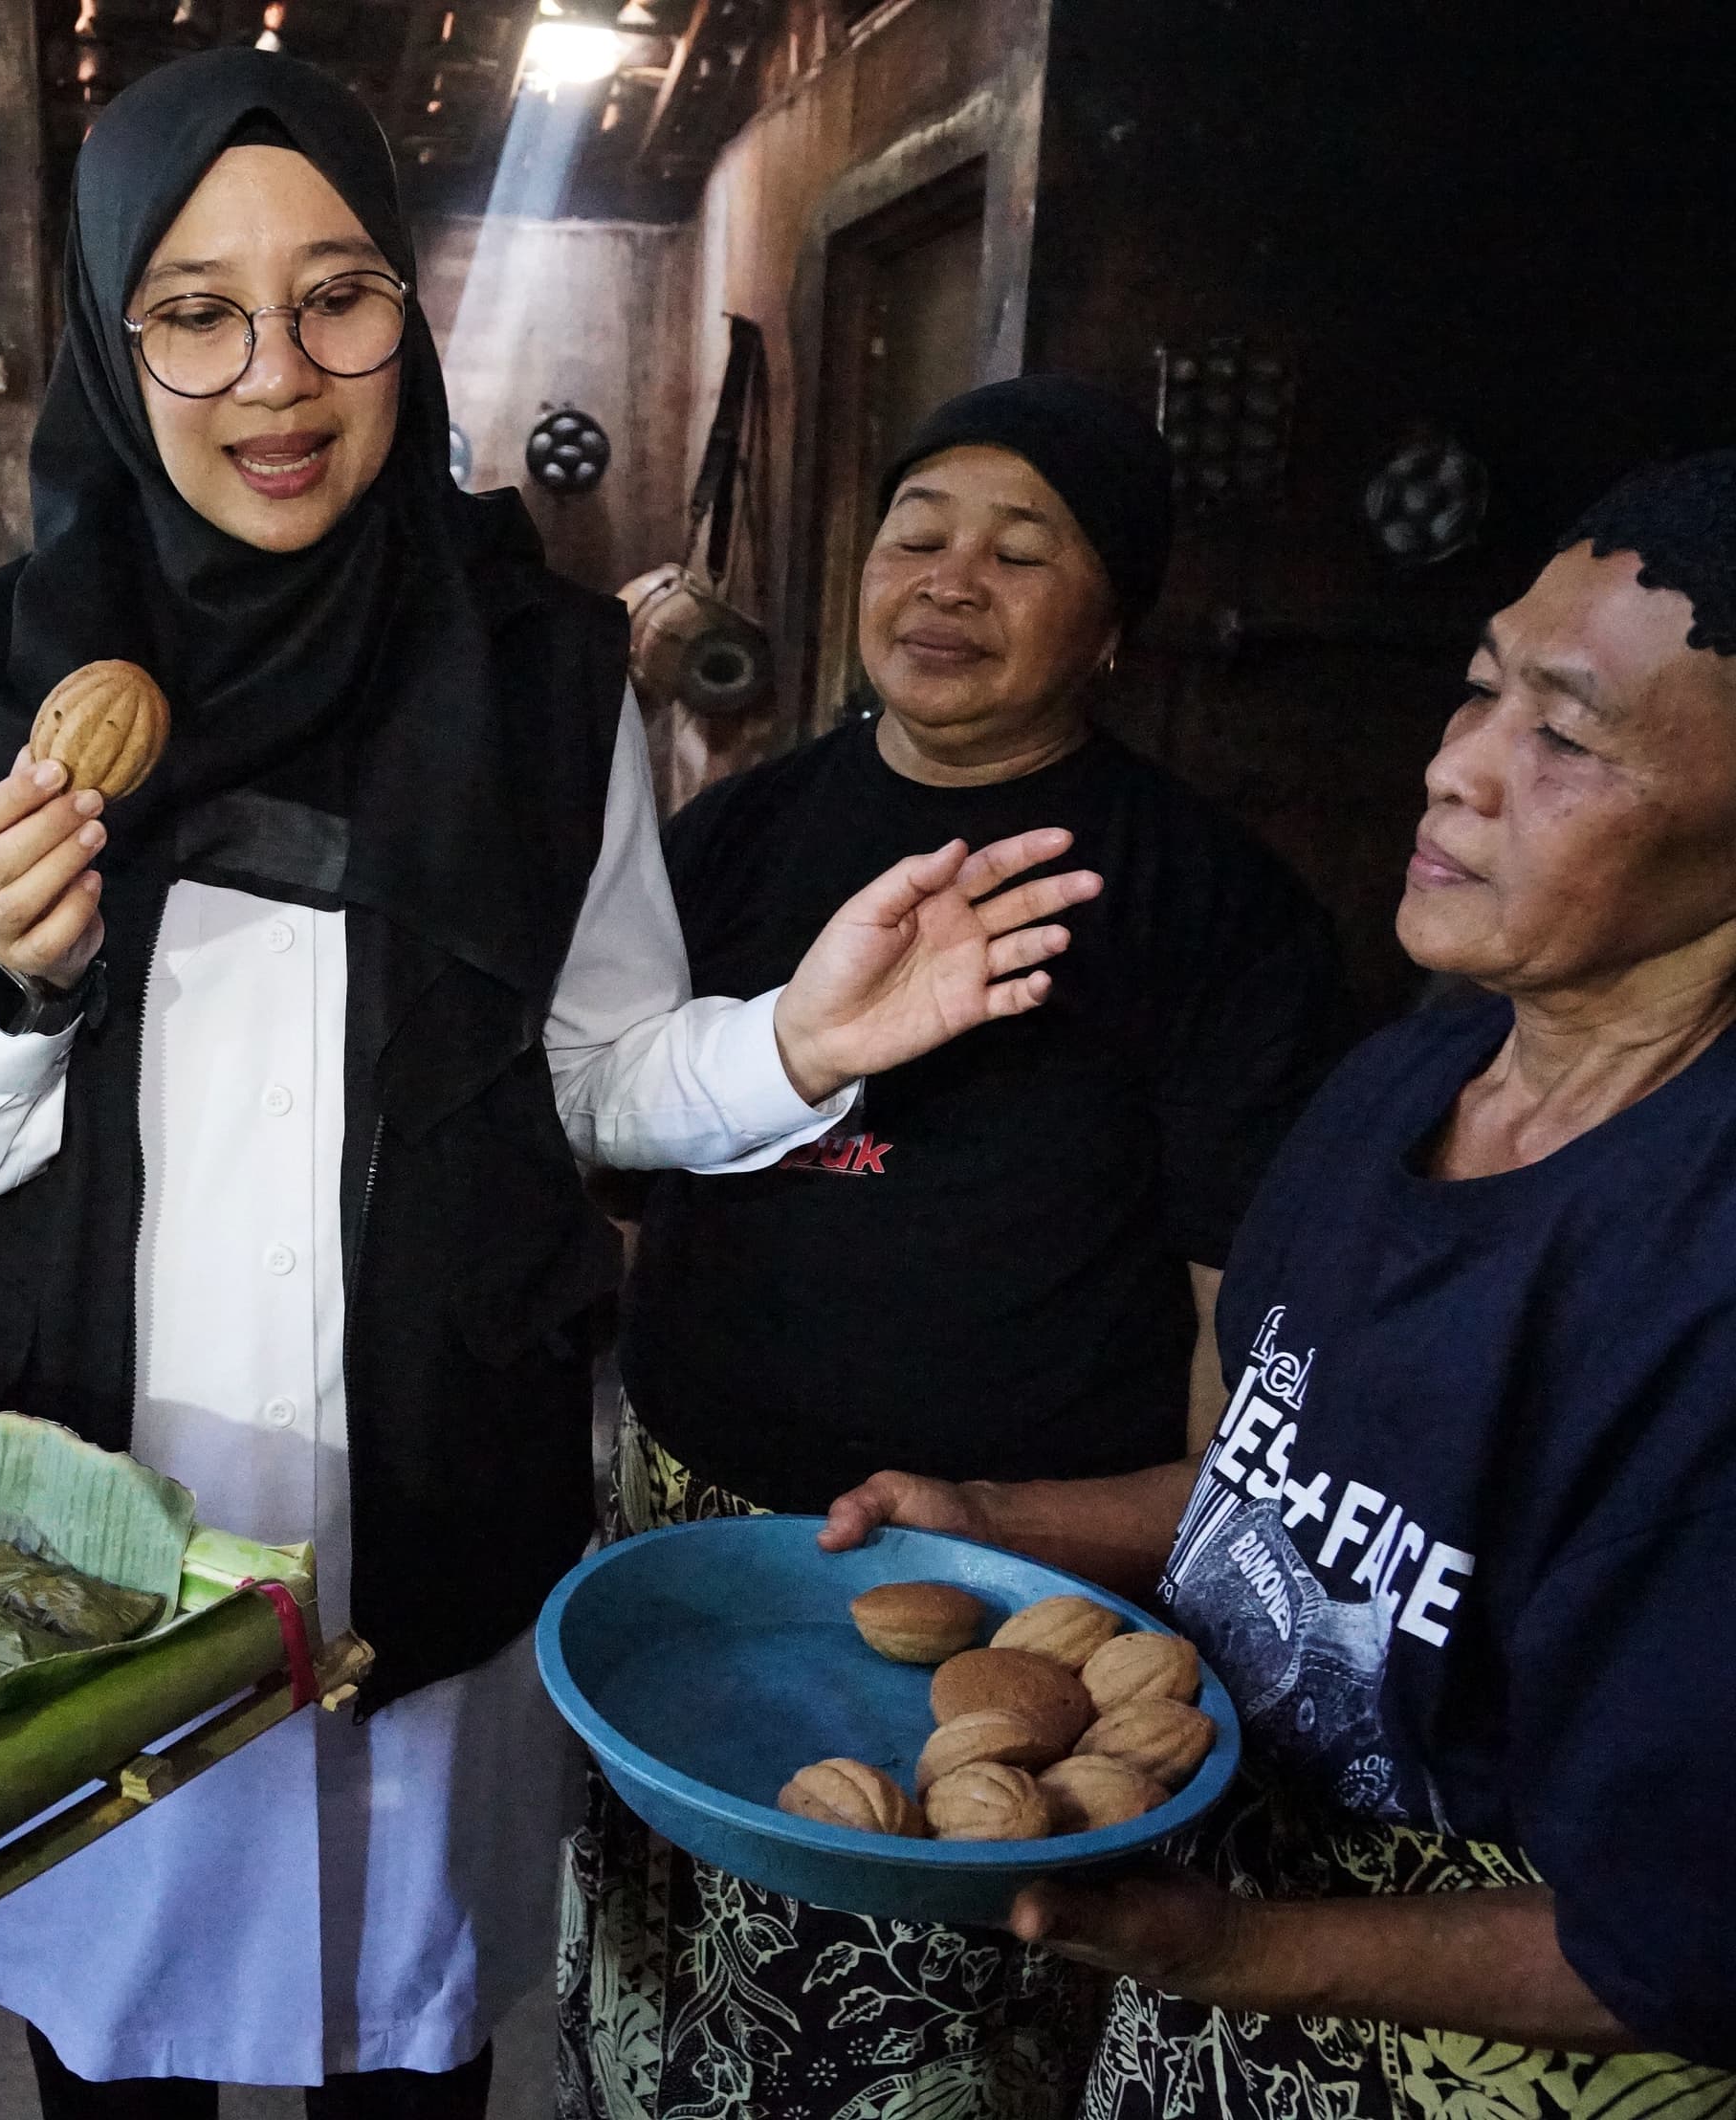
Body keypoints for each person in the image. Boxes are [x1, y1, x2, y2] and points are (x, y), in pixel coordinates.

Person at [0, 49, 1101, 2118]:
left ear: (408, 317)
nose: (277, 375)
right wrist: (7, 973)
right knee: (113, 2054)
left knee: (406, 2047)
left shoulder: (535, 663)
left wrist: (803, 1039)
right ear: (105, 334)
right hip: (112, 1528)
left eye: (339, 294)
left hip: (438, 1497)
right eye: (195, 309)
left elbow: (596, 1070)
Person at [823, 437, 1736, 2116]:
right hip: (1226, 1988)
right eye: (1477, 691)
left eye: (1568, 736)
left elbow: (1721, 1941)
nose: (1455, 772)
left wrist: (1236, 1950)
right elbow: (1293, 1506)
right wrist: (997, 1519)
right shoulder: (1415, 1082)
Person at [561, 378, 1346, 2120]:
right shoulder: (734, 839)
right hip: (686, 1541)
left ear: (1116, 624)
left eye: (1021, 548)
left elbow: (1249, 1382)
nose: (948, 579)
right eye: (917, 533)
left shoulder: (1213, 912)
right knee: (649, 2006)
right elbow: (619, 1160)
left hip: (986, 1605)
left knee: (902, 2055)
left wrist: (1036, 1539)